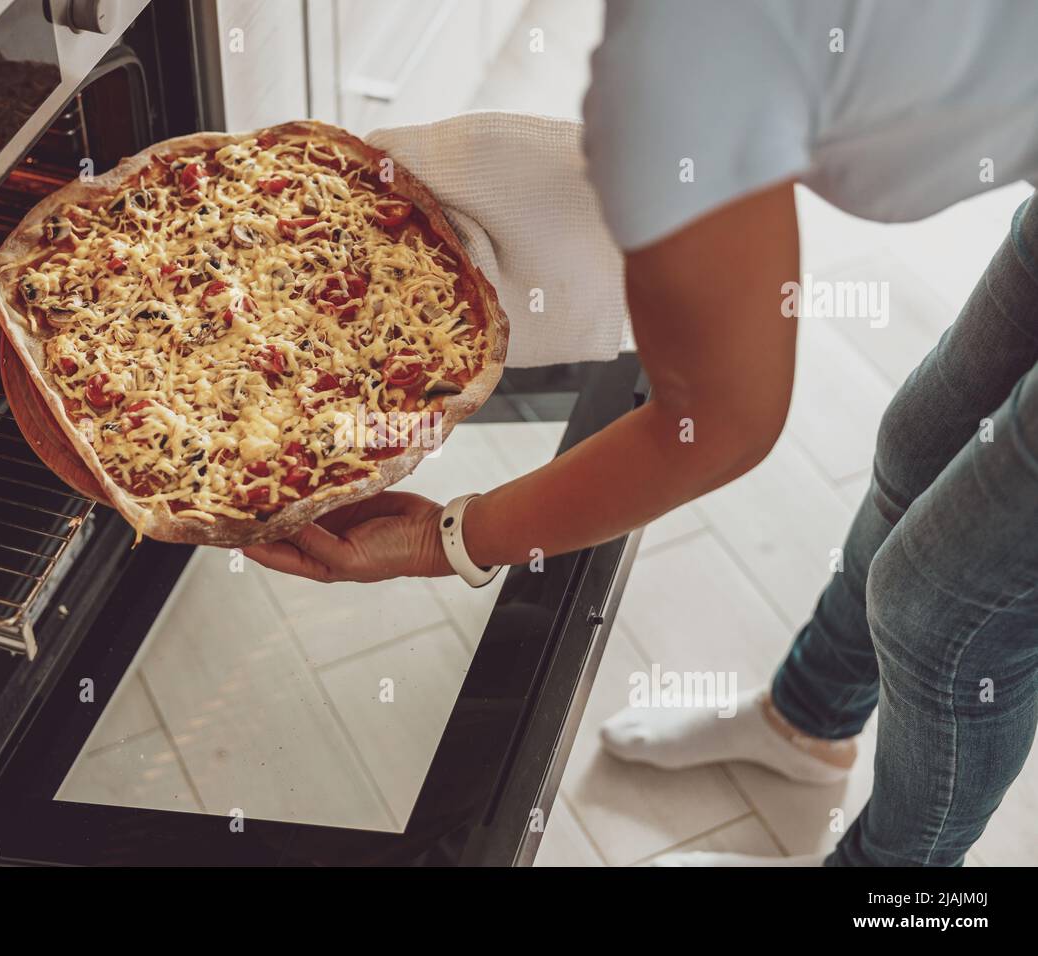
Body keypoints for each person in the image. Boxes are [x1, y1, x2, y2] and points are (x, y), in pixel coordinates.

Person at [245, 0, 1038, 866]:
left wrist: (441, 539)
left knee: (937, 614)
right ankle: (806, 726)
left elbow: (719, 424)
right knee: (920, 445)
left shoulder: (696, 41)